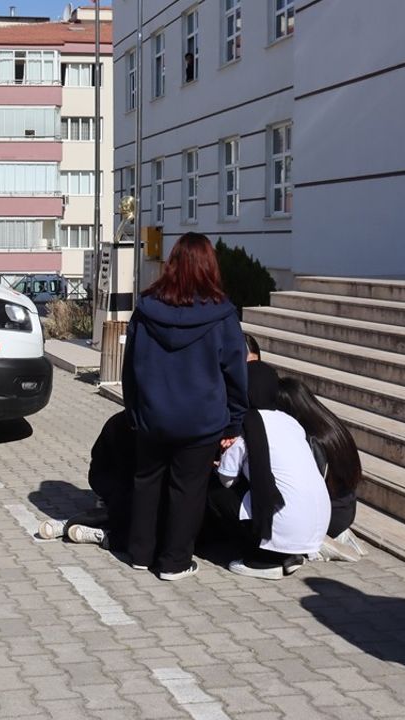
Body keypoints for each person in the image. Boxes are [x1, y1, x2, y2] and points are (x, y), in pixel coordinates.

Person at [122, 232, 248, 580]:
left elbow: (130, 365)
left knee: (146, 482)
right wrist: (234, 421)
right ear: (209, 266)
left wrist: (133, 410)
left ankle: (140, 553)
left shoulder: (145, 309)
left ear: (172, 264)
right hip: (201, 421)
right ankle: (175, 562)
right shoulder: (222, 315)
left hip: (152, 416)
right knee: (187, 490)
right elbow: (236, 373)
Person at [209, 362, 332, 579]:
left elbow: (227, 480)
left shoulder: (246, 424)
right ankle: (288, 555)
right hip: (317, 525)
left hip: (286, 521)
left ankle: (261, 560)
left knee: (215, 491)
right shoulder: (291, 422)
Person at [275, 377, 367, 561]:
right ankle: (338, 533)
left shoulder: (308, 438)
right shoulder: (331, 426)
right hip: (347, 507)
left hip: (325, 515)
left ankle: (317, 541)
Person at [38, 411, 134, 546]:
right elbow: (99, 467)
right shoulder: (121, 422)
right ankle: (73, 524)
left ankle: (101, 534)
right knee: (130, 507)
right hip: (121, 487)